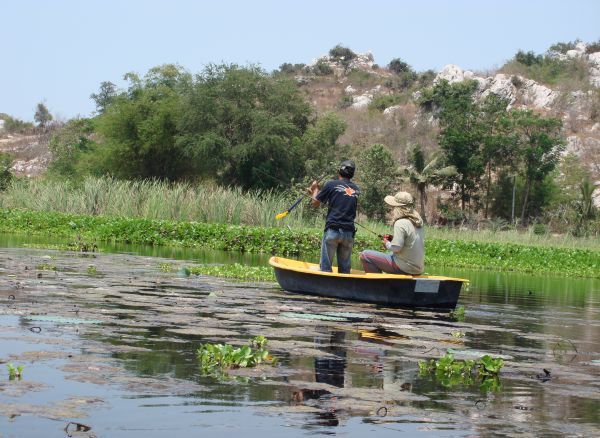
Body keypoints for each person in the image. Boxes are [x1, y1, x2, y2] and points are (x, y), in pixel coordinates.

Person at [308, 160, 360, 274]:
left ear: (339, 171)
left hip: (333, 231)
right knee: (345, 271)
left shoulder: (331, 184)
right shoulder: (356, 189)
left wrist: (315, 189)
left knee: (325, 269)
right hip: (349, 234)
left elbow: (315, 203)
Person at [359, 191, 425, 275]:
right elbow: (409, 241)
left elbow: (396, 248)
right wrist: (393, 238)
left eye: (393, 207)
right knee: (389, 254)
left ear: (398, 208)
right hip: (418, 268)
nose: (392, 209)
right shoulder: (418, 222)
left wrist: (387, 243)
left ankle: (376, 285)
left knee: (365, 255)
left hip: (405, 268)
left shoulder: (400, 223)